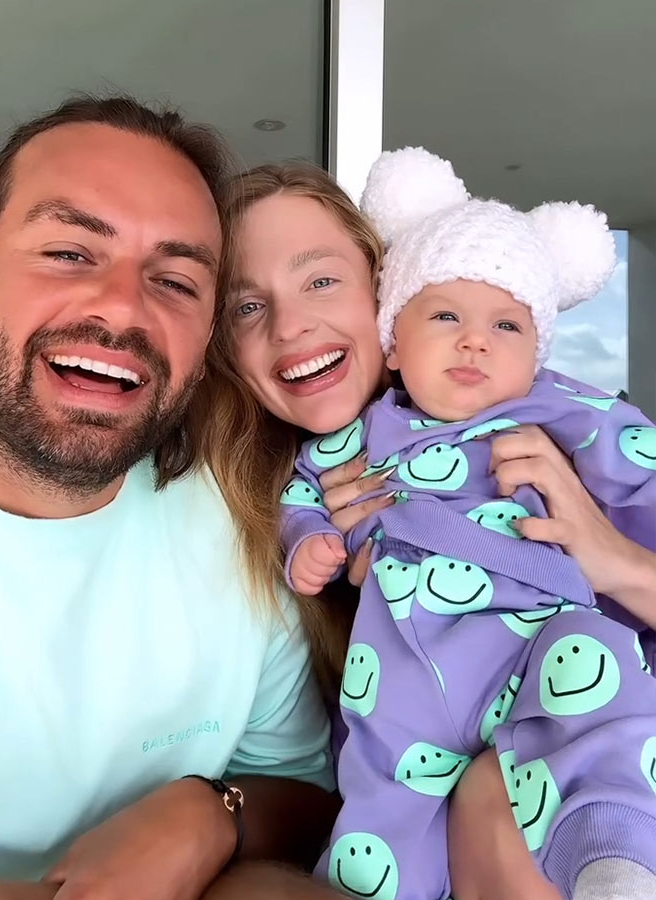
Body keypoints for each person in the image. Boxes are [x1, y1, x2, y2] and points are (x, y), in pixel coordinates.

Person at [200, 158, 656, 899]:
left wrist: (612, 560)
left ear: (375, 287)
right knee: (376, 837)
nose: (290, 325)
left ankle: (612, 849)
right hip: (404, 717)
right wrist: (309, 541)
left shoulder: (543, 420)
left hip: (564, 704)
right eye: (247, 307)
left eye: (320, 279)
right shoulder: (264, 488)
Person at [0, 95, 342, 900]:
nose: (124, 308)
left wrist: (214, 814)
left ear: (205, 347)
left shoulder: (242, 527)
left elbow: (306, 799)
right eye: (68, 252)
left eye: (175, 280)